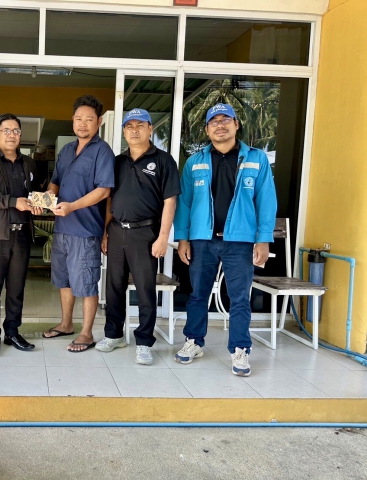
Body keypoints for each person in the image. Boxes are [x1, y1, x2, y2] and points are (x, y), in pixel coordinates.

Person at [173, 103, 277, 376]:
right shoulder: (195, 162)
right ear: (207, 129)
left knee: (240, 297)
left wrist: (263, 239)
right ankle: (194, 342)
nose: (220, 125)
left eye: (225, 120)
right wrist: (182, 238)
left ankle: (240, 349)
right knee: (198, 294)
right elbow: (185, 203)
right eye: (214, 122)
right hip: (202, 240)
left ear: (236, 124)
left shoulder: (256, 158)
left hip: (239, 241)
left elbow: (266, 200)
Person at [96, 108, 180, 365]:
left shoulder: (164, 160)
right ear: (124, 131)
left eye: (140, 125)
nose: (134, 130)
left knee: (145, 289)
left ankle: (144, 341)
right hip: (116, 230)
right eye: (129, 126)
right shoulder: (117, 162)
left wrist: (163, 237)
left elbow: (170, 201)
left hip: (146, 233)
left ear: (150, 129)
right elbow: (109, 199)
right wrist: (105, 232)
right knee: (113, 287)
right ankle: (114, 335)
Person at [42, 95, 115, 352]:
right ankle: (66, 324)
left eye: (89, 119)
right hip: (62, 229)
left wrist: (72, 206)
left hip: (85, 230)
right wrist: (45, 200)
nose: (83, 124)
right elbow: (55, 182)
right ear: (72, 120)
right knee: (63, 280)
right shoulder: (66, 150)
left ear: (99, 122)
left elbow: (104, 190)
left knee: (85, 282)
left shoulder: (102, 151)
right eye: (78, 118)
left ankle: (86, 333)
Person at [0, 114, 43, 356]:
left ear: (20, 135)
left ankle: (12, 332)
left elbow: (34, 193)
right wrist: (15, 202)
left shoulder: (29, 163)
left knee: (16, 287)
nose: (11, 135)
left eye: (16, 131)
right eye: (6, 130)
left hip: (22, 234)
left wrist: (39, 202)